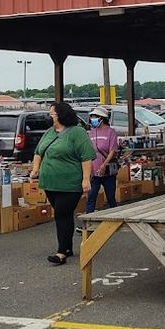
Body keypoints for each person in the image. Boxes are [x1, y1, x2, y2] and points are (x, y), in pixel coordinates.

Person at [30, 101, 94, 265]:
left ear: (61, 115)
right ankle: (67, 246)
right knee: (62, 215)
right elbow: (38, 152)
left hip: (70, 183)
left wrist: (86, 179)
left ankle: (62, 252)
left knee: (62, 214)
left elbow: (86, 157)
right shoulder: (49, 133)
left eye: (52, 113)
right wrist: (35, 169)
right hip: (50, 182)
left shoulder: (77, 133)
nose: (50, 116)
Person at [85, 105, 119, 218]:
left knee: (110, 197)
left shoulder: (111, 132)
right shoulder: (90, 133)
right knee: (91, 197)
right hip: (94, 171)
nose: (92, 119)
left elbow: (113, 150)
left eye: (95, 116)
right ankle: (88, 220)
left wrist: (104, 165)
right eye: (92, 116)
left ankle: (115, 218)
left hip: (108, 171)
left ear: (102, 118)